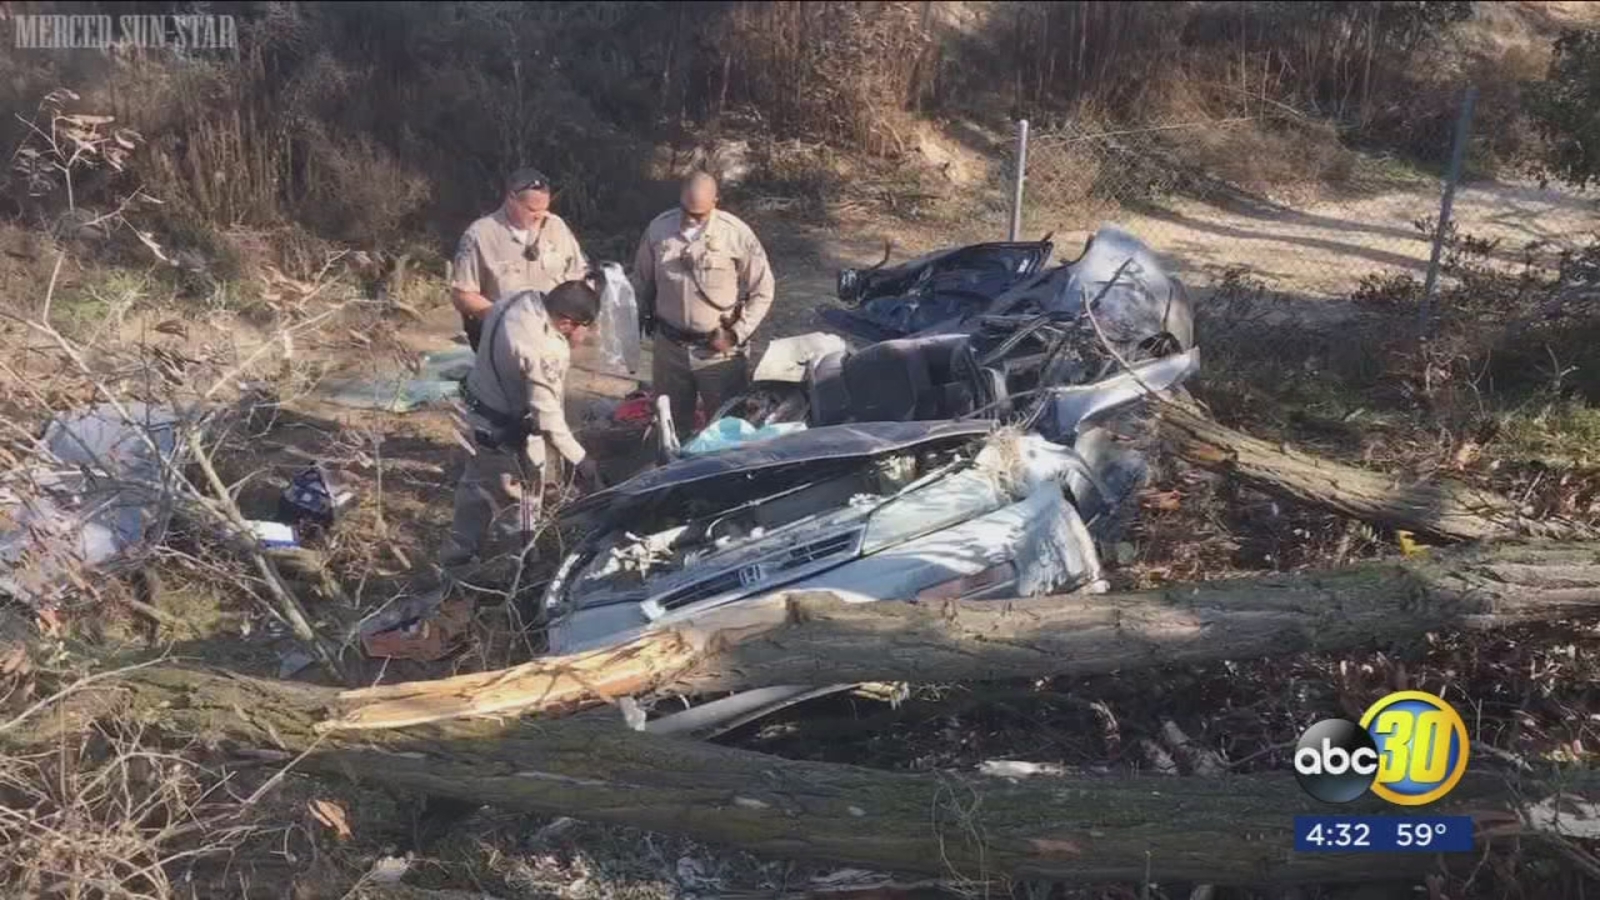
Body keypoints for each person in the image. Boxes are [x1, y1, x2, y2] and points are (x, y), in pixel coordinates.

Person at [441, 279, 604, 568]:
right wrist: (583, 461)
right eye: (584, 327)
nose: (586, 335)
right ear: (567, 323)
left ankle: (457, 556)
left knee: (474, 487)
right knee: (521, 504)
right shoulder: (544, 348)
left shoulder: (519, 298)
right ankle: (516, 570)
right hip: (505, 430)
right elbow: (548, 417)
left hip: (477, 412)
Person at [631, 171, 775, 439]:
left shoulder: (737, 235)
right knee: (671, 429)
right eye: (686, 210)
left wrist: (736, 333)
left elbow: (764, 290)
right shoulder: (660, 229)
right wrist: (635, 325)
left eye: (699, 215)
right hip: (669, 349)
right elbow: (641, 282)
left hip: (718, 355)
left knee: (726, 431)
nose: (690, 219)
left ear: (716, 202)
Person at [451, 167, 588, 351]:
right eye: (532, 210)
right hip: (502, 342)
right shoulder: (480, 235)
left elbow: (578, 276)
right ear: (511, 199)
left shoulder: (556, 227)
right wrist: (505, 316)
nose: (540, 215)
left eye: (544, 209)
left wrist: (578, 317)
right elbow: (462, 295)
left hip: (552, 342)